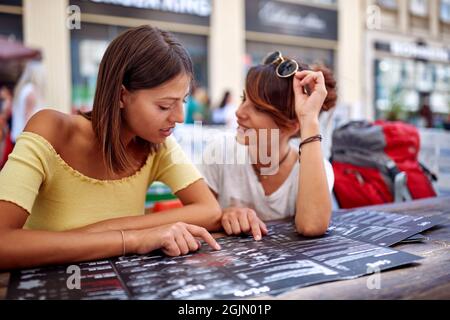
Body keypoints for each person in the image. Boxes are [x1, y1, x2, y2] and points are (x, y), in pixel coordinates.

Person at [0, 25, 221, 271]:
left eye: (183, 101)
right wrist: (134, 238)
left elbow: (209, 210)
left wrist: (102, 230)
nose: (179, 117)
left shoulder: (158, 146)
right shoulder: (52, 130)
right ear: (121, 95)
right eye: (164, 106)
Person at [199, 51, 337, 240]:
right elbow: (194, 218)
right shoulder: (219, 152)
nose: (239, 112)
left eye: (258, 108)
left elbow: (312, 226)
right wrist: (222, 216)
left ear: (291, 125)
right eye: (243, 99)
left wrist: (309, 122)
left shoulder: (315, 169)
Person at [11, 60, 46, 143]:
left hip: (18, 137)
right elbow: (28, 118)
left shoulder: (23, 89)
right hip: (26, 140)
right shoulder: (31, 91)